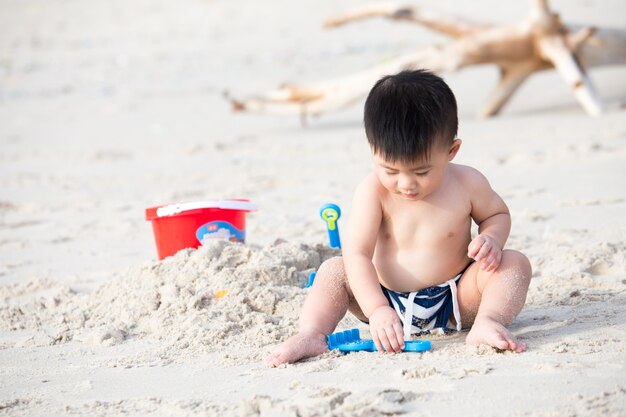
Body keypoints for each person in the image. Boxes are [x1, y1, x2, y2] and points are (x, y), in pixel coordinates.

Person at [265, 69, 532, 367]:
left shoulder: (468, 183)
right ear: (373, 151)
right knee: (334, 270)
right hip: (385, 300)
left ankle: (488, 322)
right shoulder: (372, 192)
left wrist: (491, 238)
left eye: (422, 172)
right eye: (390, 170)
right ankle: (312, 333)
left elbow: (497, 214)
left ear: (451, 151)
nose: (406, 184)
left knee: (513, 262)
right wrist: (377, 308)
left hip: (457, 297)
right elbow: (358, 254)